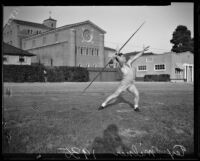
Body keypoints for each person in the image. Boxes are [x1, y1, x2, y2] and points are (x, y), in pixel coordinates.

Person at [98, 46, 150, 111]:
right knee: (115, 95)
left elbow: (136, 56)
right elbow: (119, 60)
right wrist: (117, 53)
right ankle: (103, 104)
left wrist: (142, 51)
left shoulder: (129, 63)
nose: (124, 57)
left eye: (124, 56)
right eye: (123, 57)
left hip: (130, 84)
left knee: (137, 94)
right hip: (124, 84)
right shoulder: (121, 65)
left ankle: (136, 107)